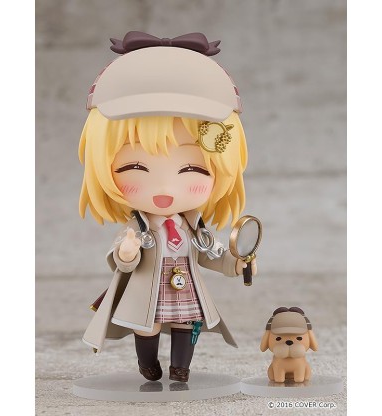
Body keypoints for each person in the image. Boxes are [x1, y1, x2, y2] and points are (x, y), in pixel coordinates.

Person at [78, 32, 257, 382]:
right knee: (148, 326)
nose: (164, 189)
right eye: (135, 168)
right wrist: (128, 252)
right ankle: (148, 364)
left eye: (192, 170)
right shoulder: (138, 229)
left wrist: (236, 263)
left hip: (185, 284)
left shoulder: (194, 228)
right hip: (147, 289)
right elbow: (121, 261)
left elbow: (210, 254)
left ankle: (181, 367)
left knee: (187, 322)